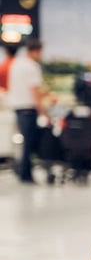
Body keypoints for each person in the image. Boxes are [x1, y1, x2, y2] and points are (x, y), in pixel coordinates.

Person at [7, 39, 47, 183]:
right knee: (30, 143)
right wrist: (43, 112)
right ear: (36, 51)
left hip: (18, 108)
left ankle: (22, 171)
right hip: (29, 110)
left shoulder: (16, 64)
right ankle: (25, 174)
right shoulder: (32, 67)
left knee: (25, 143)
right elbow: (34, 92)